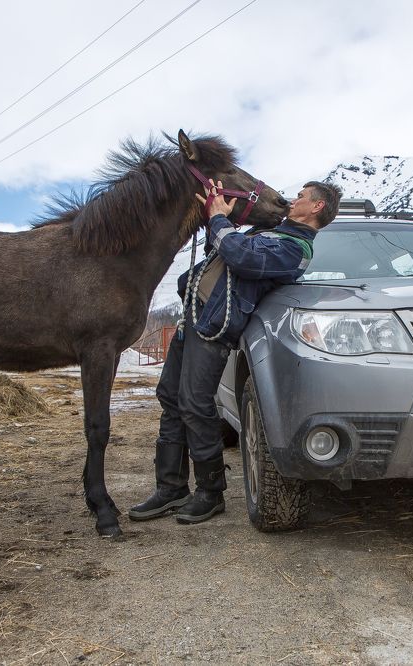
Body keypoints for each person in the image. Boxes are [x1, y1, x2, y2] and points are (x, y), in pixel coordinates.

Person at [129, 180, 342, 524]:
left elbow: (241, 258)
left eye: (302, 196)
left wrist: (218, 221)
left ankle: (210, 493)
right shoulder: (270, 231)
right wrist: (222, 209)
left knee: (196, 403)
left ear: (317, 207)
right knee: (170, 397)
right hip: (194, 317)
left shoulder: (295, 249)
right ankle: (170, 488)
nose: (293, 198)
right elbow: (233, 242)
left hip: (214, 327)